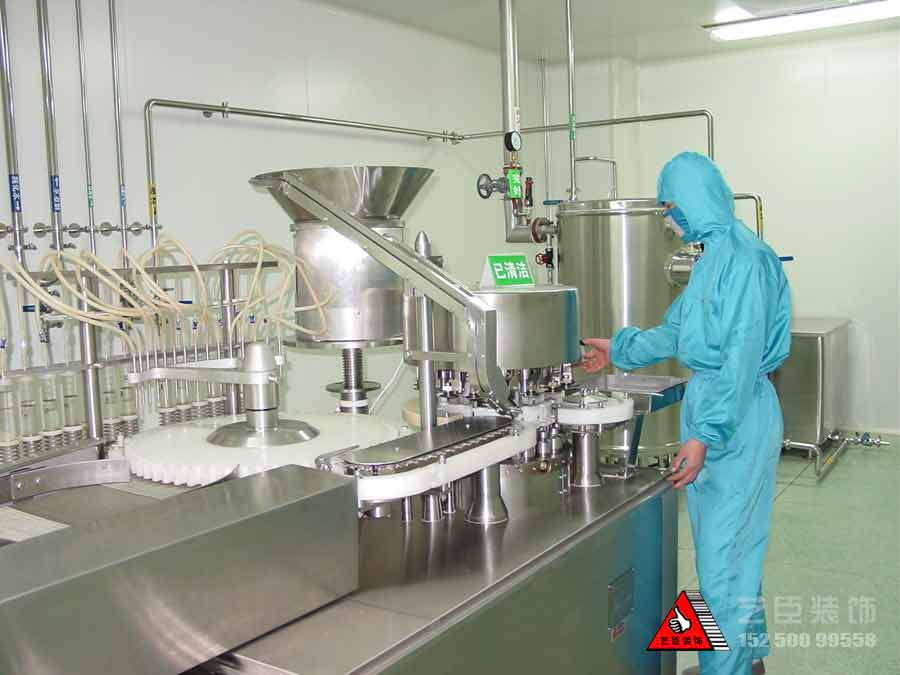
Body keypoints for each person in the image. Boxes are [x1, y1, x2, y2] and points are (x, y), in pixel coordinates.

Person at [582, 152, 791, 675]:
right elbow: (679, 332)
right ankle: (745, 658)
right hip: (714, 407)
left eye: (672, 207)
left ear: (696, 200)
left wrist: (704, 436)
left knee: (723, 558)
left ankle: (726, 669)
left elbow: (740, 358)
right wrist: (619, 348)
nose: (669, 218)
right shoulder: (712, 259)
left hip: (736, 416)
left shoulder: (747, 261)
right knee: (729, 551)